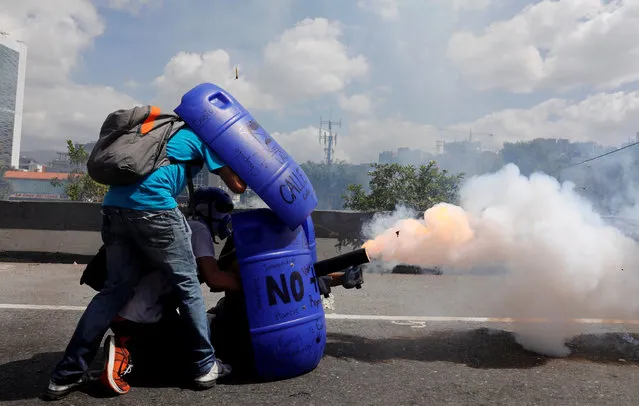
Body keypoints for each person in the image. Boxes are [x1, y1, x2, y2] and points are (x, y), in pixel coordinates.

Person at [44, 125, 247, 401]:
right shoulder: (204, 138)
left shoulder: (165, 135)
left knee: (113, 292)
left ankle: (66, 373)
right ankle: (203, 365)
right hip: (153, 207)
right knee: (188, 287)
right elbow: (238, 186)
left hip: (114, 206)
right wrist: (242, 157)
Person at [99, 187, 242, 395]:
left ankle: (131, 344)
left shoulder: (183, 226)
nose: (225, 215)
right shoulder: (198, 230)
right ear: (206, 209)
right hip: (142, 317)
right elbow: (215, 278)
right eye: (221, 208)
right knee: (191, 364)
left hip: (131, 312)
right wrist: (252, 286)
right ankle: (127, 355)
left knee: (196, 330)